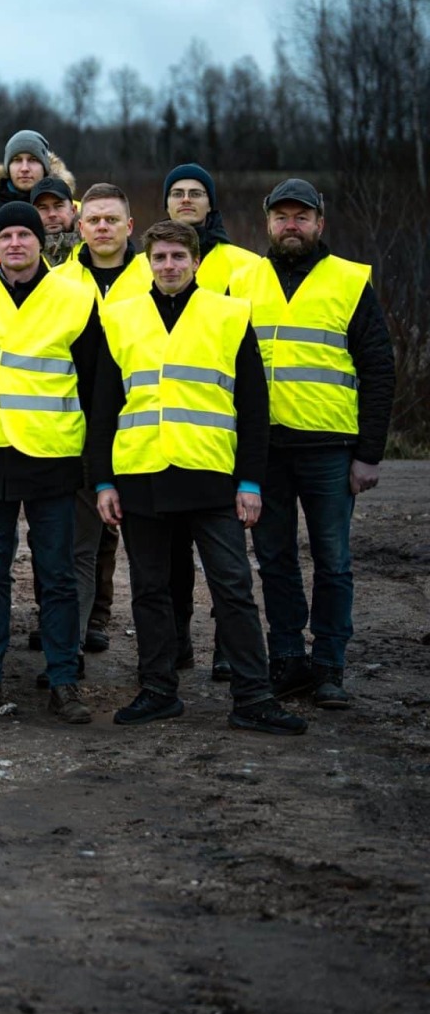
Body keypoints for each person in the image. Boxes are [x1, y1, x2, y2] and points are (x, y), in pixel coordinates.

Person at [89, 221, 304, 735]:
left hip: (212, 475)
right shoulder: (118, 318)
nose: (169, 266)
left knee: (232, 586)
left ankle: (253, 696)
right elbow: (103, 408)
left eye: (178, 257)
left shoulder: (229, 315)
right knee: (149, 589)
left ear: (196, 262)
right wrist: (102, 481)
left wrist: (251, 481)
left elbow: (254, 407)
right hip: (141, 472)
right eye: (159, 257)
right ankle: (158, 689)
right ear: (147, 261)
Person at [230, 180, 393, 707]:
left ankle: (328, 665)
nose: (291, 225)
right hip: (265, 449)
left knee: (333, 559)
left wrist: (369, 453)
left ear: (320, 223)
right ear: (267, 223)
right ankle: (287, 659)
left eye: (302, 216)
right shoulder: (241, 281)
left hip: (329, 448)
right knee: (274, 558)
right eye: (282, 217)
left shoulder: (349, 281)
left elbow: (378, 369)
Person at [0, 202, 104, 726]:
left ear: (41, 242)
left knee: (55, 574)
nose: (16, 243)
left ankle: (64, 680)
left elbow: (95, 382)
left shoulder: (77, 298)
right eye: (7, 235)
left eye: (25, 235)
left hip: (53, 454)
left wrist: (94, 461)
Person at [53, 182, 142, 653]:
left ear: (129, 226)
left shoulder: (160, 275)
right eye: (94, 220)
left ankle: (172, 649)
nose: (103, 227)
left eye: (112, 220)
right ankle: (73, 638)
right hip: (82, 428)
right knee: (80, 545)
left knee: (158, 554)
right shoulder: (59, 282)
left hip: (151, 428)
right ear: (79, 226)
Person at [162, 164, 260, 294]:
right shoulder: (140, 265)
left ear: (209, 205)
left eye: (195, 194)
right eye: (177, 194)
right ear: (167, 205)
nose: (186, 199)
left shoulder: (249, 264)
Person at [34, 177, 79, 266]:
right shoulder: (22, 252)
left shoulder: (92, 248)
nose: (52, 214)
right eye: (43, 208)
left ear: (73, 210)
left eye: (58, 206)